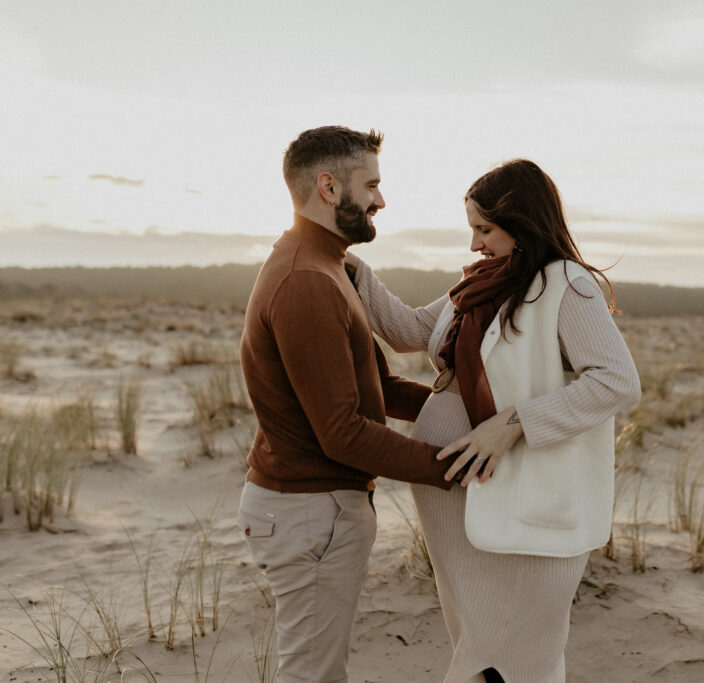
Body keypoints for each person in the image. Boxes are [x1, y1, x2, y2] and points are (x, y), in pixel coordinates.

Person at [347, 158, 642, 682]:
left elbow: (617, 380)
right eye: (472, 230)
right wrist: (352, 270)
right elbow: (410, 331)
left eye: (485, 229)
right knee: (475, 631)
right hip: (453, 491)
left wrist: (512, 422)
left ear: (523, 221)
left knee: (523, 644)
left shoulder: (564, 282)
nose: (474, 245)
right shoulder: (482, 284)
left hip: (520, 485)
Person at [236, 125, 456, 683]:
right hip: (310, 511)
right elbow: (344, 432)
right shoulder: (305, 281)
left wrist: (465, 412)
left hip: (315, 509)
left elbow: (372, 389)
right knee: (312, 676)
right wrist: (458, 468)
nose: (381, 199)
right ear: (330, 188)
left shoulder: (330, 266)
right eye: (372, 185)